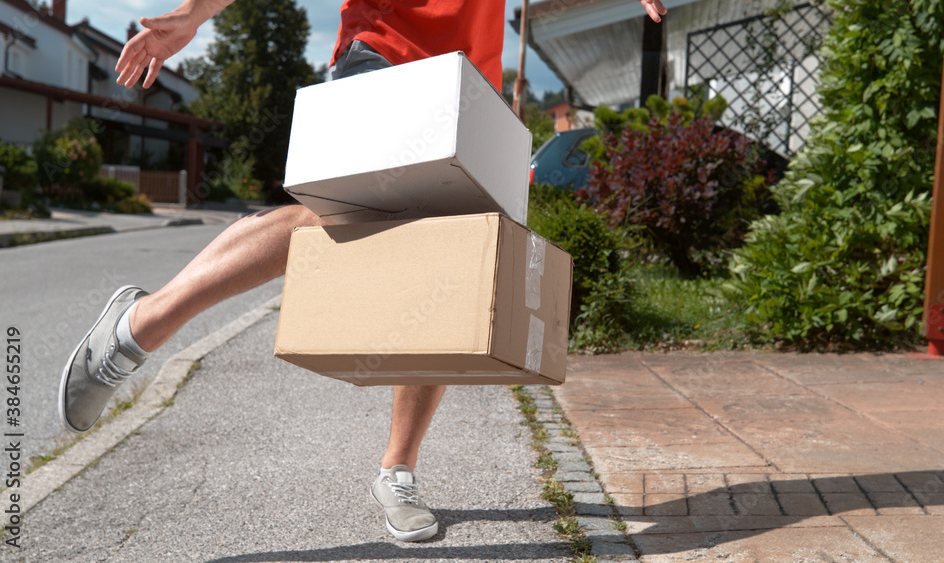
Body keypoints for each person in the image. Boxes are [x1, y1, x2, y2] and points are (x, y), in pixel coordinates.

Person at [58, 0, 667, 544]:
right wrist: (195, 14)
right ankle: (141, 324)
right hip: (382, 54)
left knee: (446, 253)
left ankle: (396, 473)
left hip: (466, 84)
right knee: (342, 217)